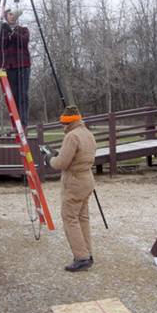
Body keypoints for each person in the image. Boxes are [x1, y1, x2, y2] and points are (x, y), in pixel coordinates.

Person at [44, 105, 97, 272]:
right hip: (87, 179)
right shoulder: (87, 133)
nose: (62, 126)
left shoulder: (72, 137)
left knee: (70, 218)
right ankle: (87, 253)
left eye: (63, 123)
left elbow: (61, 163)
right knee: (82, 217)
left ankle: (81, 257)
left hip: (74, 182)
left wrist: (49, 159)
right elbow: (74, 157)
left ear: (67, 122)